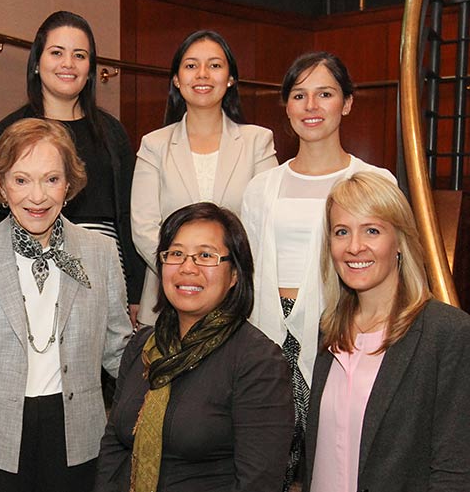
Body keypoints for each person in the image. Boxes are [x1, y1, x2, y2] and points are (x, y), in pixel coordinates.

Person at [0, 118, 131, 492]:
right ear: (1, 186)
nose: (37, 196)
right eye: (21, 179)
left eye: (52, 179)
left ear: (69, 184)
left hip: (79, 437)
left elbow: (118, 352)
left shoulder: (99, 251)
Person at [240, 51, 397, 489]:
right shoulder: (262, 186)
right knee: (267, 460)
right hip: (268, 331)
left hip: (342, 330)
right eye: (299, 95)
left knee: (330, 457)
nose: (311, 107)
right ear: (286, 106)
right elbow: (248, 268)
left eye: (324, 94)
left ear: (346, 102)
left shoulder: (375, 180)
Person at [95, 202, 293, 492]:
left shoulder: (258, 360)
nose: (188, 267)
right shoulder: (143, 345)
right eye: (176, 254)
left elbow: (258, 482)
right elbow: (114, 446)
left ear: (234, 275)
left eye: (205, 255)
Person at [304, 171, 470, 491]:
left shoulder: (448, 333)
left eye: (372, 230)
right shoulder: (330, 330)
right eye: (341, 231)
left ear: (399, 241)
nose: (354, 246)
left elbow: (454, 469)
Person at [0, 11, 144, 326]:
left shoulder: (112, 133)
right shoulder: (11, 129)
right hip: (27, 273)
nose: (68, 63)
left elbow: (127, 215)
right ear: (37, 63)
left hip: (104, 275)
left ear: (90, 69)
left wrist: (134, 290)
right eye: (57, 53)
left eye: (79, 55)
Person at [131, 29, 278, 329]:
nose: (202, 74)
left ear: (231, 78)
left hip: (236, 302)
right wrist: (186, 274)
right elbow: (144, 228)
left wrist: (224, 276)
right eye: (190, 65)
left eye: (214, 65)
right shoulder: (153, 145)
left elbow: (266, 223)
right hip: (168, 302)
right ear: (176, 79)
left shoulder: (257, 142)